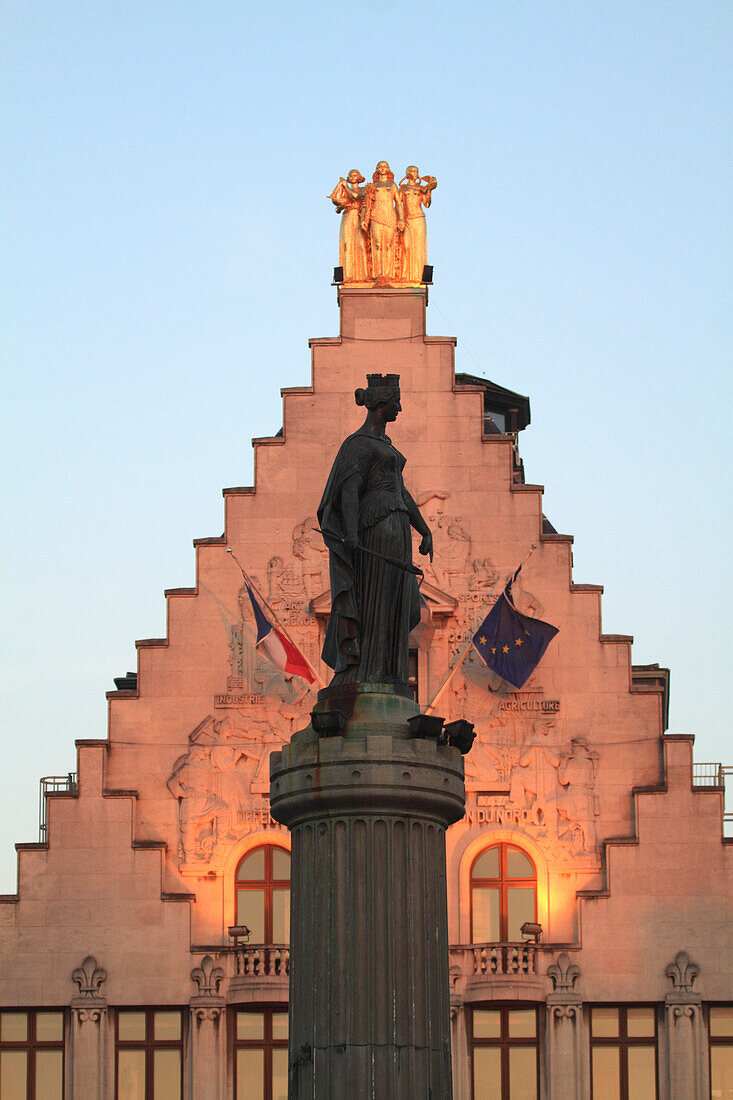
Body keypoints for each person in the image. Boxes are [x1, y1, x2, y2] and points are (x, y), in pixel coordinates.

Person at [317, 374, 433, 685]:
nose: (400, 408)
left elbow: (402, 493)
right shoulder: (358, 445)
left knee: (397, 600)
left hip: (397, 529)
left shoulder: (386, 445)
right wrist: (352, 532)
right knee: (375, 600)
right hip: (375, 529)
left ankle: (389, 672)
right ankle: (367, 670)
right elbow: (349, 489)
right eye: (397, 402)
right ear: (382, 403)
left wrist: (424, 529)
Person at [361, 161, 405, 282]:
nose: (382, 168)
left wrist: (401, 218)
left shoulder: (392, 185)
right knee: (377, 244)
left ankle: (388, 273)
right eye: (380, 166)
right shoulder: (372, 186)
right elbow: (367, 204)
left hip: (390, 215)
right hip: (376, 216)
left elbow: (399, 203)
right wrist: (364, 219)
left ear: (388, 169)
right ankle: (378, 273)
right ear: (377, 169)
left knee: (389, 245)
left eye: (385, 166)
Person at [328, 170, 368, 282]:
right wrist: (340, 205)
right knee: (347, 244)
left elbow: (355, 196)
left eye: (355, 175)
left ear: (359, 177)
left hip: (358, 216)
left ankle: (362, 274)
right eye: (350, 175)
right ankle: (348, 274)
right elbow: (338, 209)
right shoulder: (345, 192)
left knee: (360, 244)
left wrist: (345, 186)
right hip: (347, 216)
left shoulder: (362, 189)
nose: (352, 176)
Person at [399, 166, 437, 282]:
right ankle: (404, 273)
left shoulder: (420, 188)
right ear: (407, 173)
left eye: (415, 171)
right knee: (406, 246)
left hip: (418, 218)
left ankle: (417, 275)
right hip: (406, 219)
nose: (413, 173)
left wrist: (429, 190)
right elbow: (398, 204)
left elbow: (427, 204)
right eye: (411, 171)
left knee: (418, 246)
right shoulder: (402, 189)